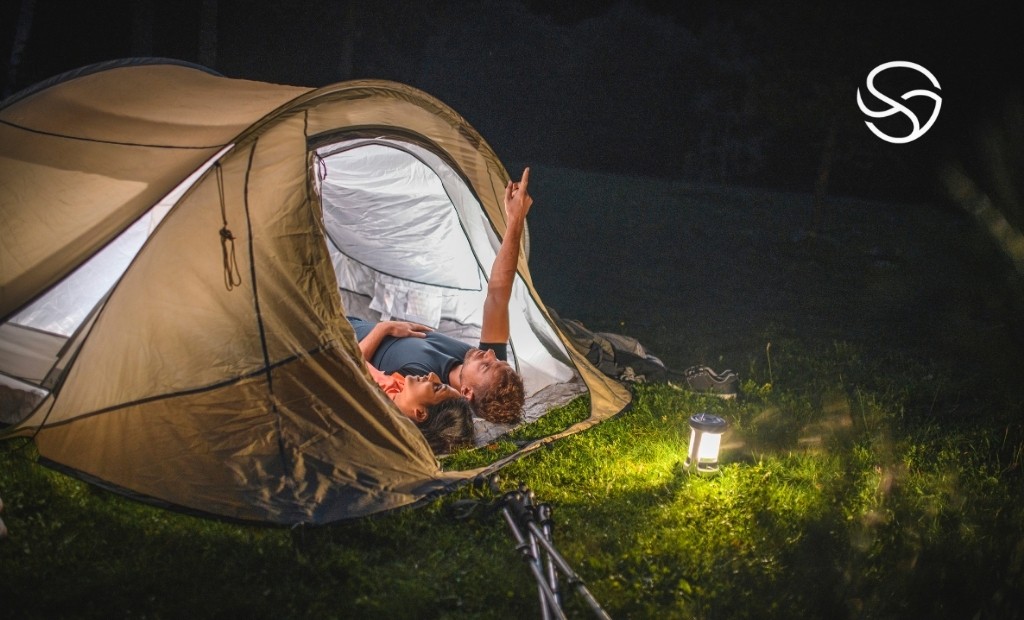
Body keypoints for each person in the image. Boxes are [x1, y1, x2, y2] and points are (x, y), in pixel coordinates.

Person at [347, 167, 534, 425]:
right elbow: (498, 295)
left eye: (487, 365)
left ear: (466, 392)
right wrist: (515, 220)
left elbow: (349, 374)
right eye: (495, 359)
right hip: (348, 321)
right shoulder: (481, 364)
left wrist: (384, 328)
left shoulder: (424, 392)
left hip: (330, 340)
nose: (489, 354)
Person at [360, 336, 475, 455]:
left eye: (436, 387)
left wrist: (383, 329)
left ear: (420, 413)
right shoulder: (400, 387)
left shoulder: (368, 404)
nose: (432, 375)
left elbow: (349, 360)